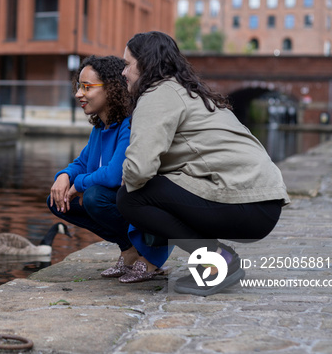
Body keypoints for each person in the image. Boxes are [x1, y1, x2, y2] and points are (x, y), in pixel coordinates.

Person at [116, 31, 290, 295]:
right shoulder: (185, 91)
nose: (123, 72)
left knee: (130, 197)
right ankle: (216, 261)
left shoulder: (158, 95)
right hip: (262, 203)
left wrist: (127, 177)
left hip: (247, 203)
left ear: (146, 64)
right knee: (145, 189)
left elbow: (139, 170)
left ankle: (219, 262)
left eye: (127, 64)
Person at [48, 55, 171, 282]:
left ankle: (151, 255)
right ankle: (129, 250)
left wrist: (80, 184)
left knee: (95, 196)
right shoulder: (101, 127)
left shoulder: (129, 123)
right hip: (123, 199)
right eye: (78, 87)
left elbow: (115, 174)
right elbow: (82, 162)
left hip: (149, 204)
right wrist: (64, 176)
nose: (78, 94)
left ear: (112, 88)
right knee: (57, 200)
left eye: (87, 87)